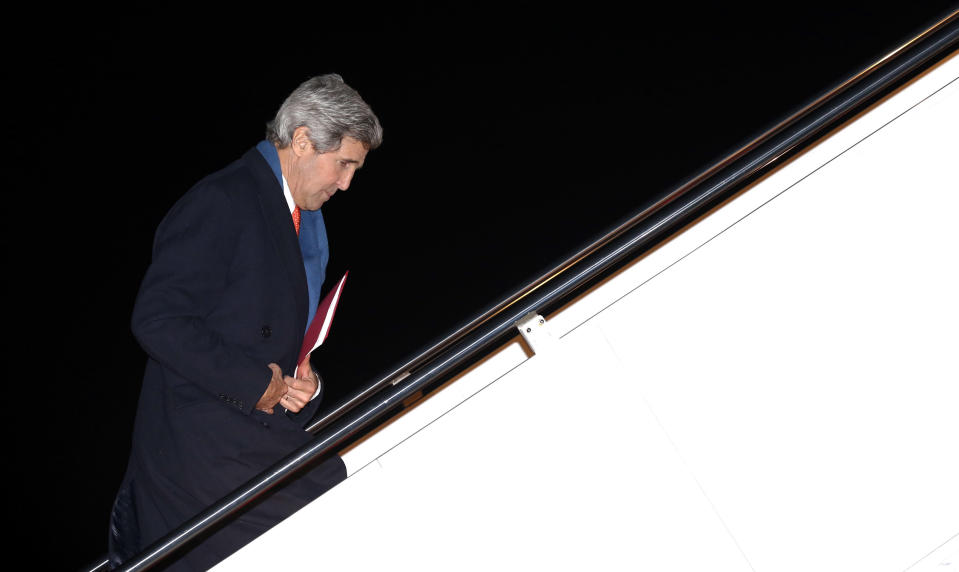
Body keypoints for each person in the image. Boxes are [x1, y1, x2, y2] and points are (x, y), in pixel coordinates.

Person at [108, 74, 383, 571]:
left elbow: (278, 347)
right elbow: (158, 319)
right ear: (302, 140)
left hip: (243, 433)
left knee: (342, 492)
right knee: (339, 501)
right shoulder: (224, 199)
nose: (346, 183)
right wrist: (256, 384)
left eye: (354, 169)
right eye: (344, 164)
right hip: (195, 445)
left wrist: (305, 387)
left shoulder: (306, 222)